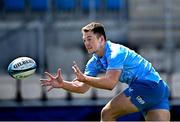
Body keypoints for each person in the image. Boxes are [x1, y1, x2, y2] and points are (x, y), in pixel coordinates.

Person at [40, 22, 170, 121]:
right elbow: (82, 87)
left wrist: (84, 78)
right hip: (158, 89)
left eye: (90, 39)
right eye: (84, 40)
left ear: (101, 39)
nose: (86, 43)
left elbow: (110, 84)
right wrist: (64, 84)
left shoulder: (115, 52)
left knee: (107, 113)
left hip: (148, 86)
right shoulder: (93, 62)